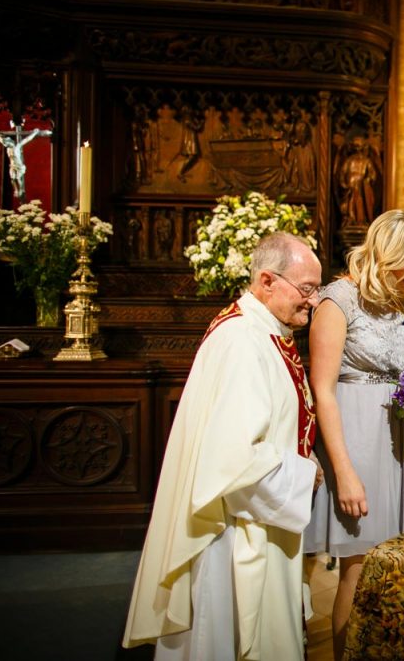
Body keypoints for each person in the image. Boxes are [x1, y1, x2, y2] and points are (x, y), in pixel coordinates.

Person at [123, 232, 324, 660]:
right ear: (267, 281)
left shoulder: (262, 330)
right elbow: (236, 461)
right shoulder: (241, 341)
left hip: (257, 516)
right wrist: (306, 473)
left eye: (317, 289)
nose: (313, 300)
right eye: (307, 289)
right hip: (232, 530)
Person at [303, 209, 404, 660]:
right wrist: (344, 472)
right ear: (386, 254)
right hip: (355, 444)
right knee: (358, 568)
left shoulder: (402, 306)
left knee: (396, 565)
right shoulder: (336, 301)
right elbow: (322, 392)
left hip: (399, 444)